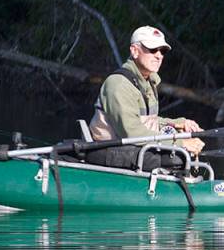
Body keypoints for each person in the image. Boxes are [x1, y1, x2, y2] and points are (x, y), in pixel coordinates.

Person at [86, 26, 204, 170]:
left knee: (179, 146)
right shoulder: (118, 84)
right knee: (176, 155)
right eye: (153, 49)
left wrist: (178, 124)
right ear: (135, 51)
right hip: (107, 149)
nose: (159, 55)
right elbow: (132, 132)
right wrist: (179, 143)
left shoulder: (148, 82)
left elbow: (147, 121)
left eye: (163, 51)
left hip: (130, 146)